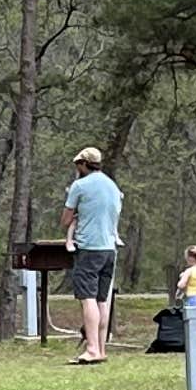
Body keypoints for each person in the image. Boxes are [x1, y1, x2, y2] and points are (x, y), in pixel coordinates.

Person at [62, 147, 124, 364]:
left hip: (89, 248)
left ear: (84, 164)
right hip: (109, 249)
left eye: (78, 164)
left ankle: (91, 348)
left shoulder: (80, 186)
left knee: (87, 299)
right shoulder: (113, 186)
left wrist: (77, 217)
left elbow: (66, 219)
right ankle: (102, 348)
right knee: (101, 300)